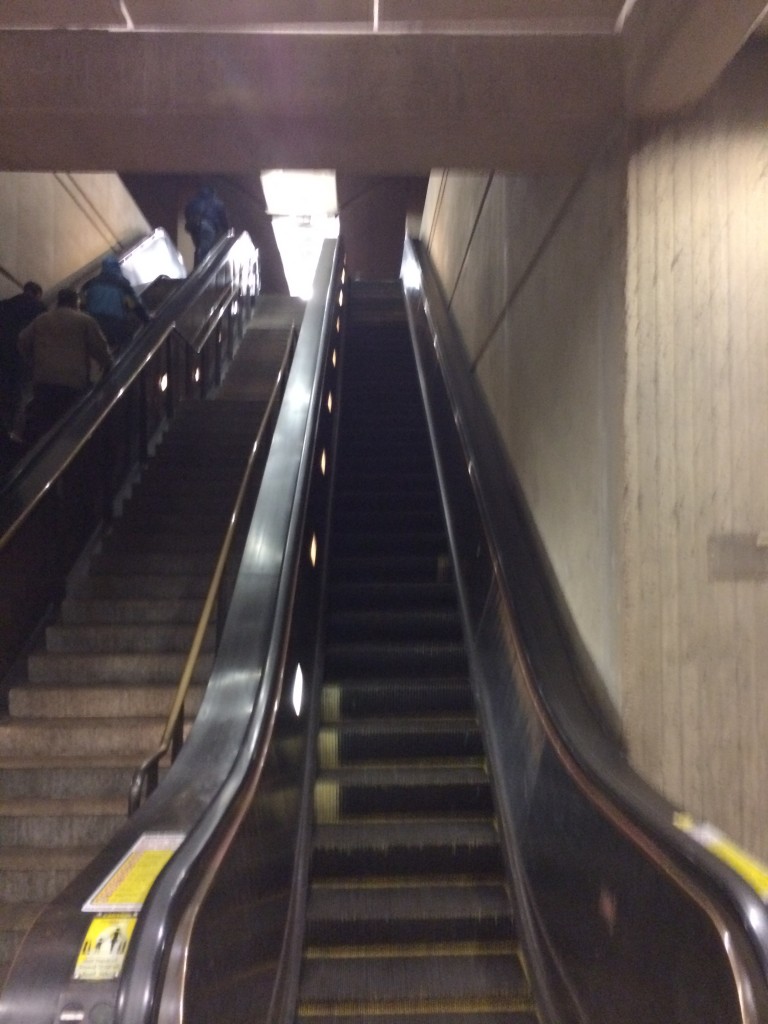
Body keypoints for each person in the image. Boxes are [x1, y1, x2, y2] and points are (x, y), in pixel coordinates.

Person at [18, 288, 113, 444]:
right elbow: (100, 348)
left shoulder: (42, 319)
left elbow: (22, 340)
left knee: (43, 421)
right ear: (76, 302)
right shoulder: (85, 321)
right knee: (66, 425)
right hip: (72, 382)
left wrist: (32, 362)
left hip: (44, 380)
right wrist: (108, 365)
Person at [0, 281, 46, 437]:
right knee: (20, 389)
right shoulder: (40, 308)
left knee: (4, 386)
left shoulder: (5, 304)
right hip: (22, 354)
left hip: (3, 351)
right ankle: (13, 427)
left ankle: (3, 423)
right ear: (37, 293)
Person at [82, 255, 150, 353]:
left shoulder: (91, 283)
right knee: (126, 342)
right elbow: (134, 305)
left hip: (94, 323)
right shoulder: (122, 284)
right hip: (115, 323)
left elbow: (83, 303)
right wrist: (146, 319)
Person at [184, 185, 230, 266]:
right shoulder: (217, 202)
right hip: (208, 227)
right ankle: (203, 268)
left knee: (199, 247)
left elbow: (187, 212)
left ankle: (197, 268)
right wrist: (227, 230)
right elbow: (223, 218)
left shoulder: (193, 202)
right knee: (205, 248)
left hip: (194, 227)